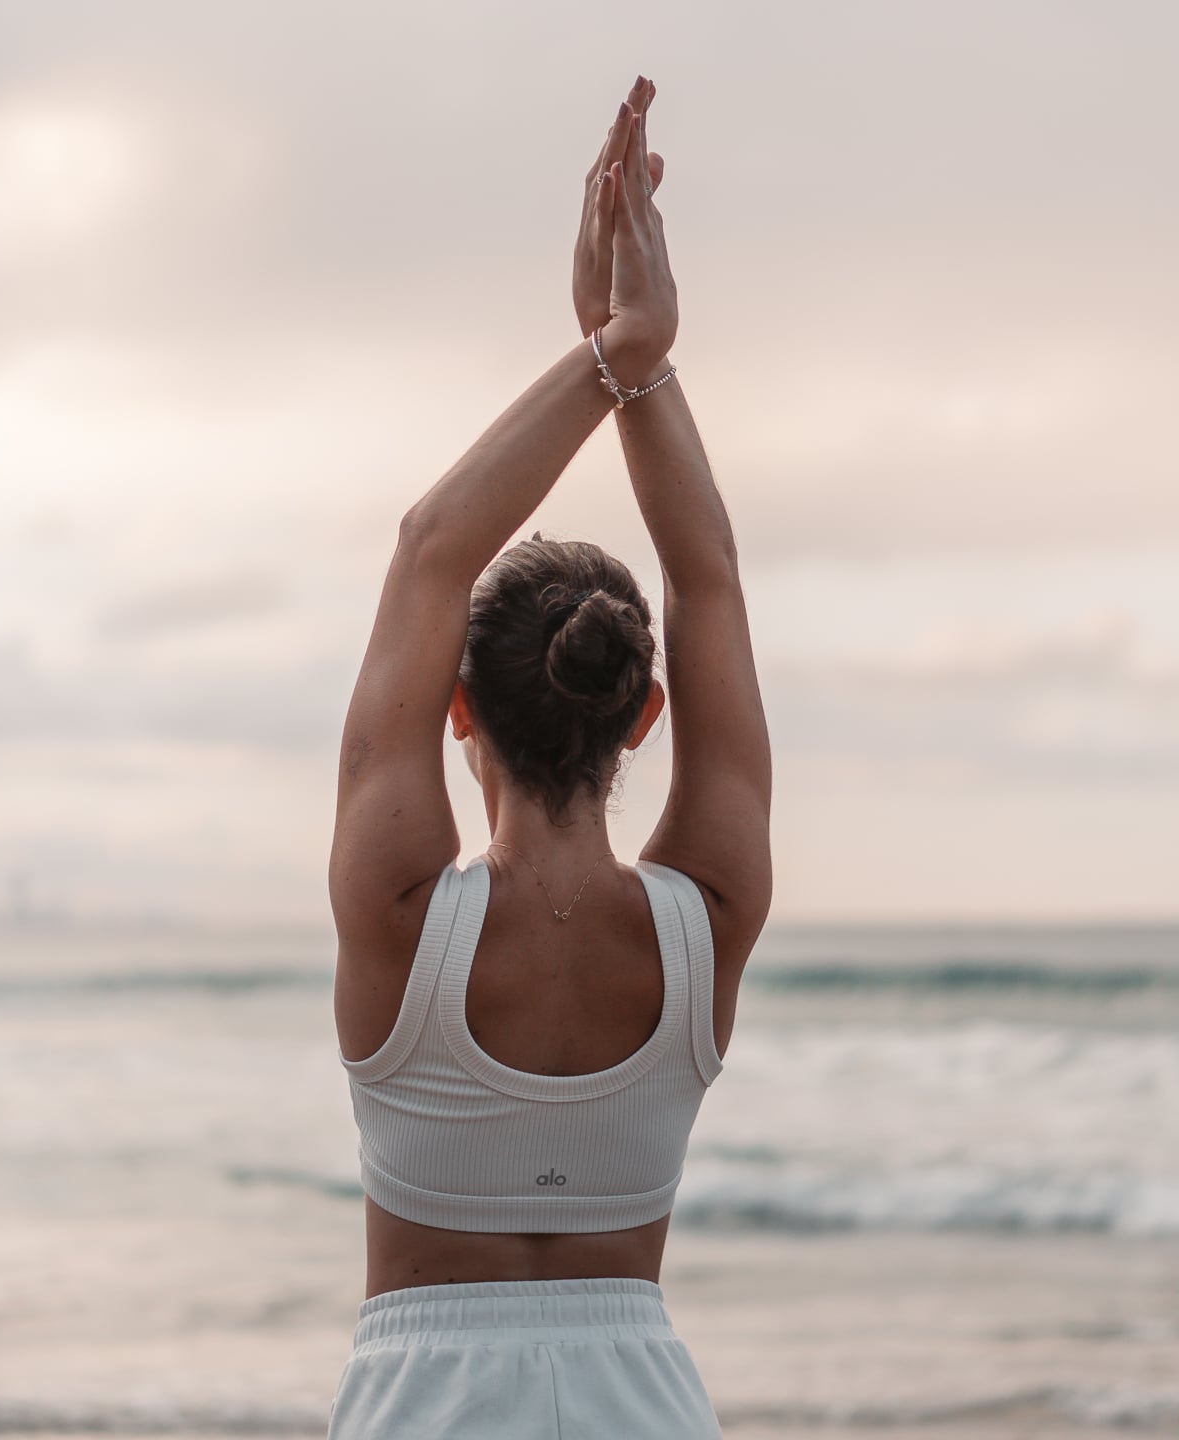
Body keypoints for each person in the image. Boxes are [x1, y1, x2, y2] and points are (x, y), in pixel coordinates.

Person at [324, 74, 773, 1439]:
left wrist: (609, 356)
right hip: (646, 1402)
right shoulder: (707, 919)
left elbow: (429, 551)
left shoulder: (402, 914)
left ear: (455, 710)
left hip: (427, 1403)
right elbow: (710, 580)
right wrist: (642, 365)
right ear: (645, 714)